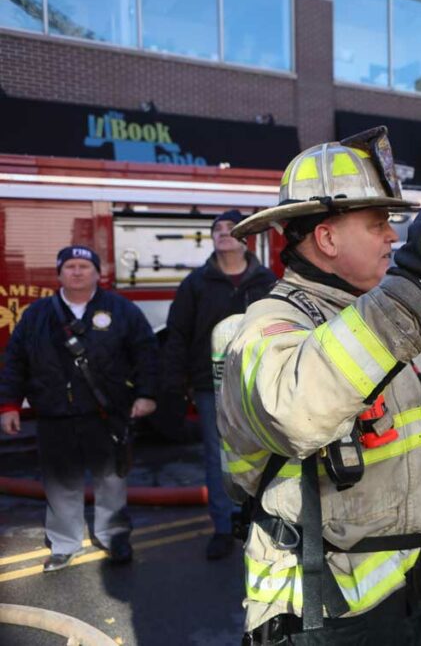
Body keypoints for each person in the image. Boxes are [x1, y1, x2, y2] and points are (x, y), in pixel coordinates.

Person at [218, 127, 421, 644]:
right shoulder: (269, 326)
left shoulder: (386, 317)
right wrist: (406, 296)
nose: (393, 236)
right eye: (377, 224)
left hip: (420, 586)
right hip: (333, 611)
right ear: (327, 237)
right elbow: (296, 413)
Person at [0, 245, 158, 571]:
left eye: (84, 266)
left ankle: (114, 537)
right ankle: (64, 544)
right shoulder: (37, 314)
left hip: (106, 413)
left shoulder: (121, 310)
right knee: (60, 484)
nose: (76, 272)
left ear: (97, 273)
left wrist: (146, 394)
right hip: (53, 414)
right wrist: (9, 405)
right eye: (69, 266)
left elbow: (147, 354)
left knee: (111, 480)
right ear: (59, 274)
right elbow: (14, 361)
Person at [162, 209, 276, 560]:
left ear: (246, 238)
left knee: (267, 451)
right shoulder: (195, 284)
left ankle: (263, 519)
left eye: (230, 228)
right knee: (218, 458)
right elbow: (177, 335)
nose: (223, 233)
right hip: (210, 386)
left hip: (259, 382)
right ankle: (224, 528)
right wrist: (172, 385)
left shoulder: (267, 281)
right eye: (217, 229)